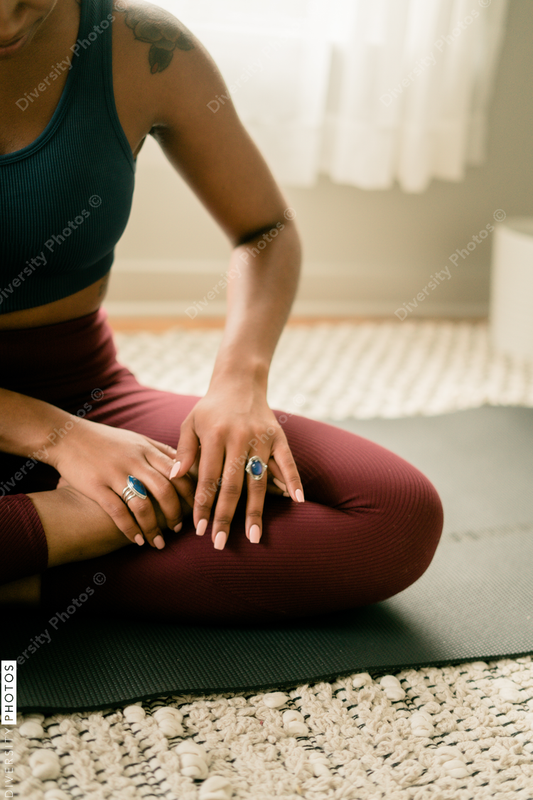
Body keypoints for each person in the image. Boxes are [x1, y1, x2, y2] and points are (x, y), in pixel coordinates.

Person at [0, 0, 443, 623]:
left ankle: (25, 570)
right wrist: (60, 448)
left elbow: (265, 229)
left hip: (86, 389)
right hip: (57, 424)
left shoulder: (139, 45)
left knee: (392, 513)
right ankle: (60, 536)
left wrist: (240, 381)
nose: (6, 24)